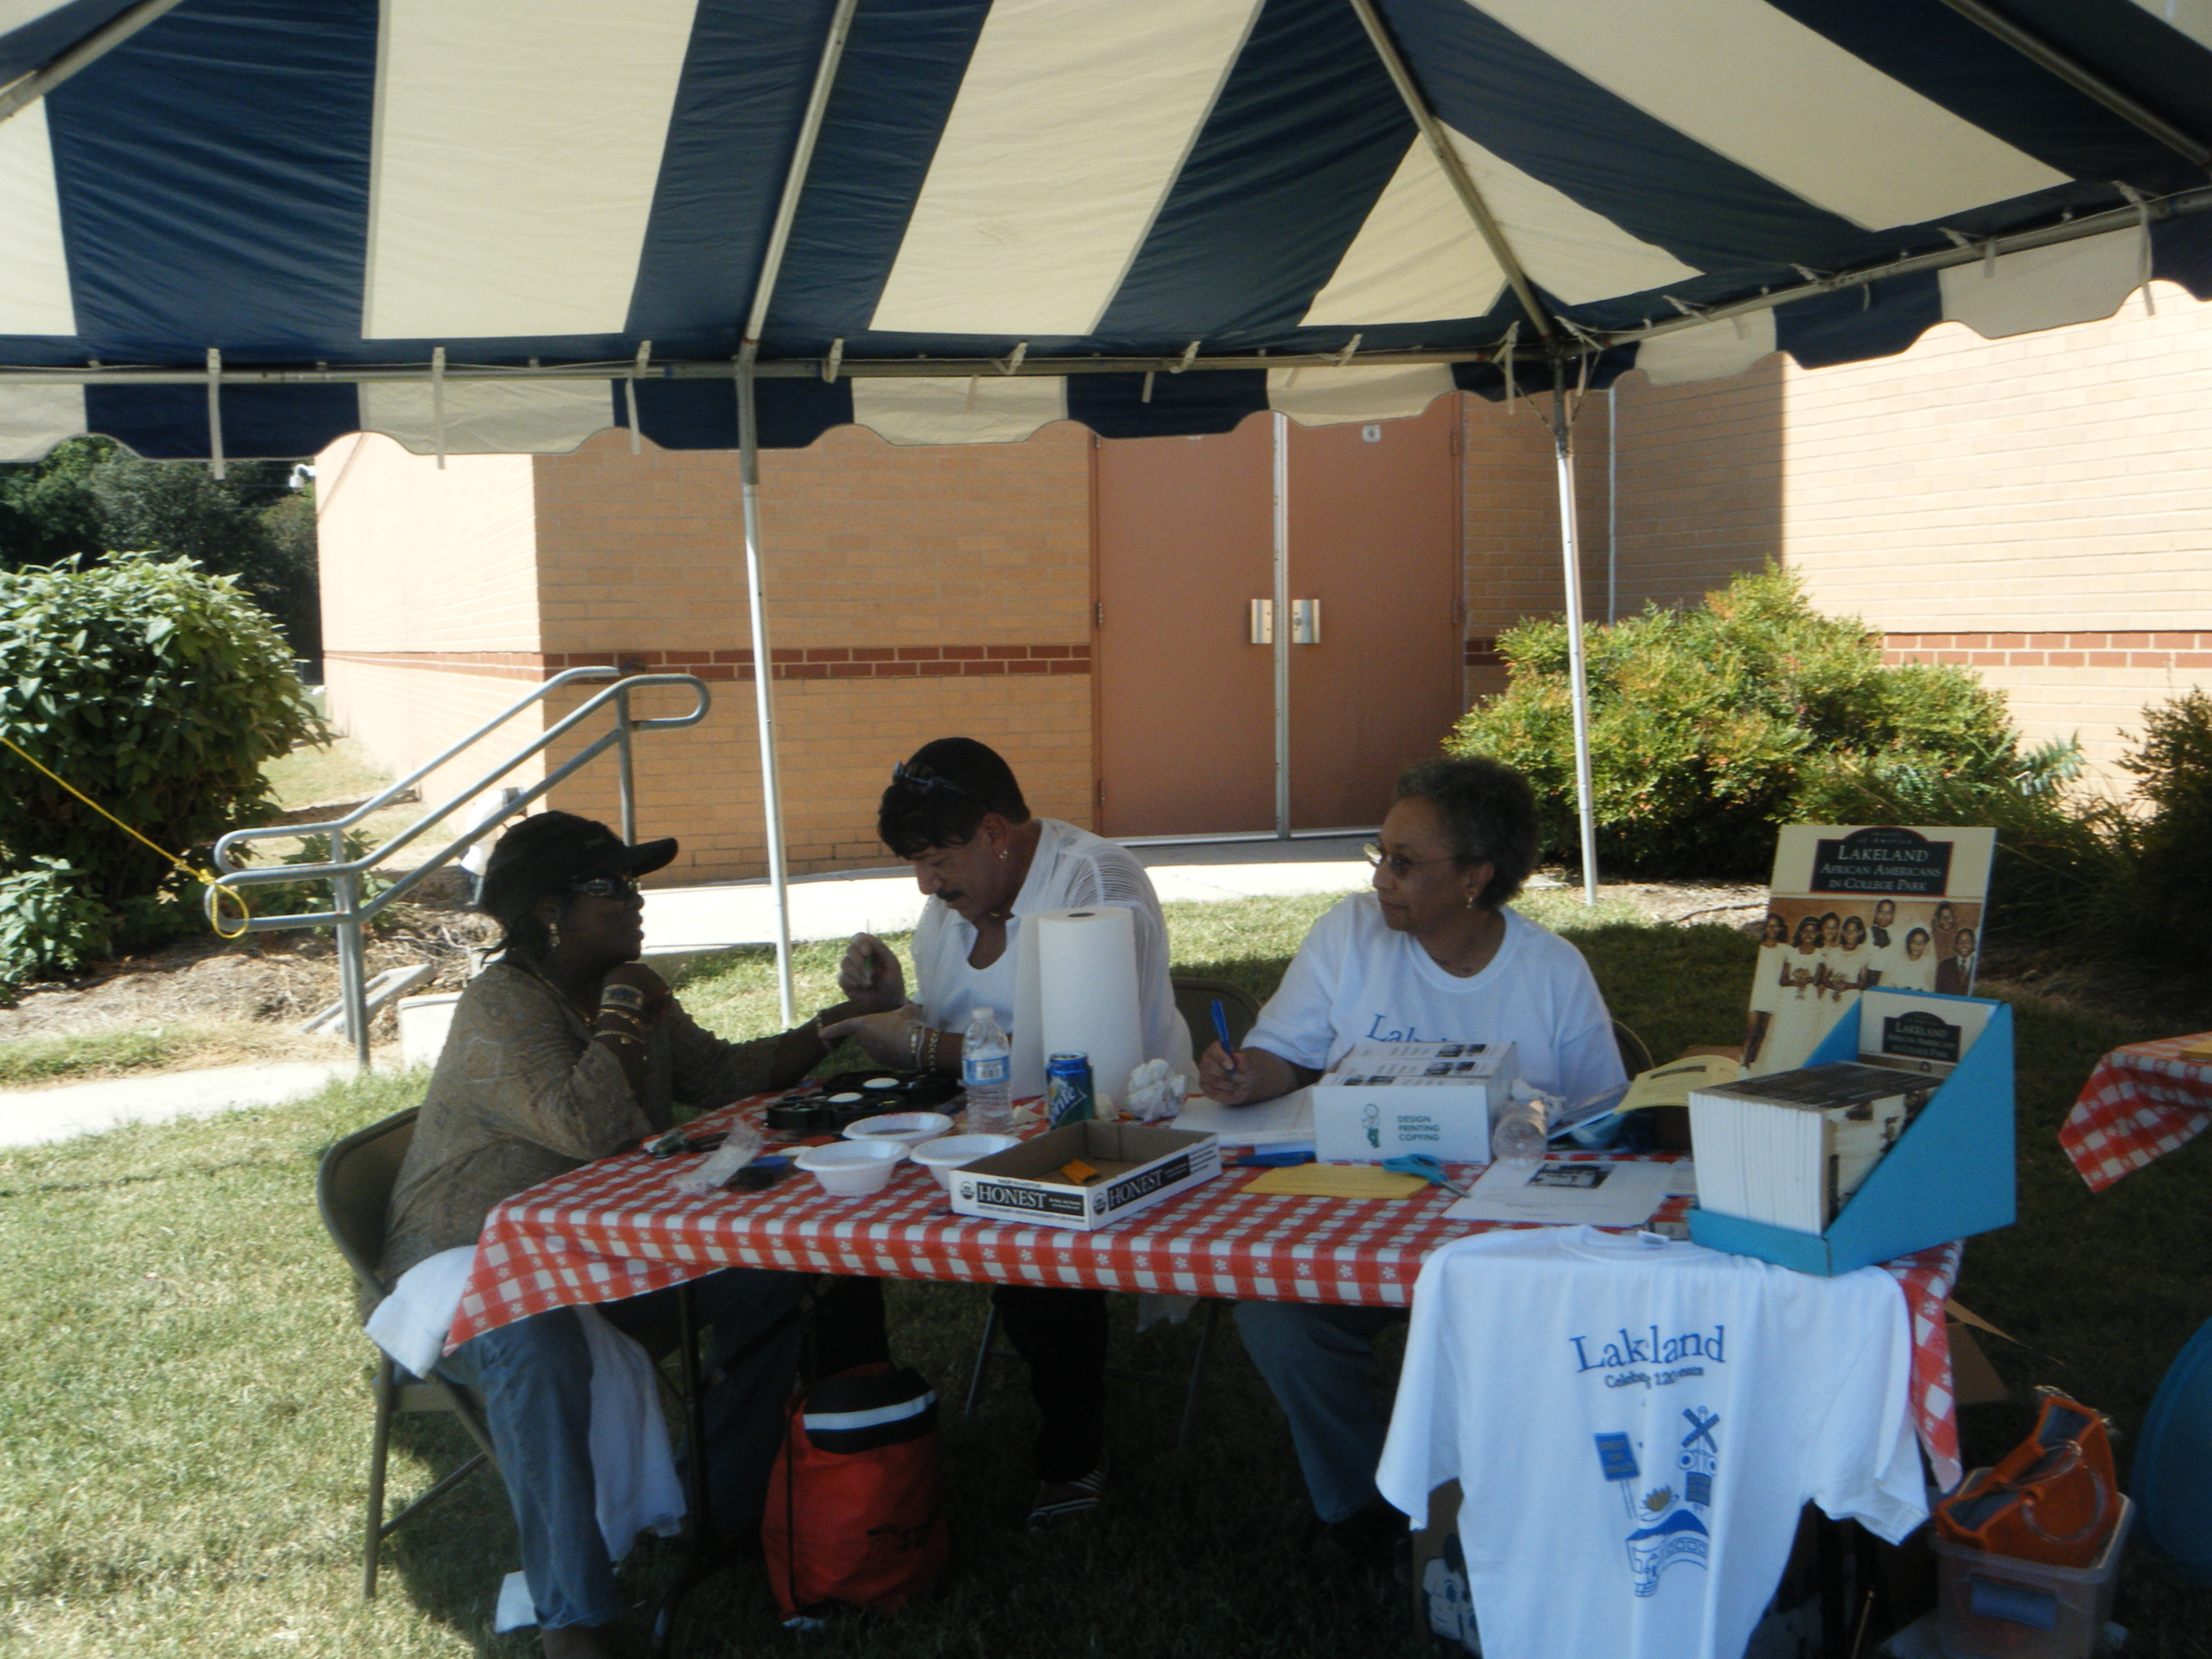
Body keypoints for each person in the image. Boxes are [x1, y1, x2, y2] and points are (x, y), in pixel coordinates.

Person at [381, 812, 883, 1658]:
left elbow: (721, 1076)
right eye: (612, 888)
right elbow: (583, 1123)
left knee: (773, 1276)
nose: (636, 901)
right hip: (468, 1261)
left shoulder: (627, 983)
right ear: (549, 912)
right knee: (535, 1343)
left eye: (633, 884)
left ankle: (715, 1513)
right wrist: (620, 1011)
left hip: (601, 1246)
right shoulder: (502, 1008)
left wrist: (848, 1020)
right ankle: (574, 1617)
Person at [1197, 755, 1626, 1569]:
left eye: (1406, 863)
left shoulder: (1550, 972)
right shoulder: (1350, 934)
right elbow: (1285, 1052)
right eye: (1379, 855)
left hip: (1500, 1236)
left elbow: (1608, 1115)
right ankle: (1366, 1506)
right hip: (1353, 1215)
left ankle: (1512, 1514)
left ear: (1476, 877)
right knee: (1276, 1315)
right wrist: (1247, 1073)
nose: (1382, 879)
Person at [828, 737, 1189, 1530]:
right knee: (827, 1213)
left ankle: (1074, 1446)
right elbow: (980, 1038)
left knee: (1031, 1227)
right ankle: (847, 1428)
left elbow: (1078, 1069)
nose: (925, 882)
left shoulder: (1095, 880)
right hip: (982, 1128)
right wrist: (899, 1005)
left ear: (995, 830)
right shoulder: (955, 903)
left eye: (936, 857)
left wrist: (919, 1045)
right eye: (915, 863)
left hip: (1113, 1128)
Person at [1741, 911, 1789, 1067]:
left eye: (1775, 926)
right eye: (1768, 926)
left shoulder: (1785, 949)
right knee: (1750, 1030)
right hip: (1757, 992)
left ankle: (1753, 1061)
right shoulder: (1758, 948)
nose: (1772, 929)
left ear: (1781, 929)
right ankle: (1744, 1060)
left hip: (1773, 993)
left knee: (1763, 1031)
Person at [1891, 926, 1938, 993]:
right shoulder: (1898, 962)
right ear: (1909, 943)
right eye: (1914, 942)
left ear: (1925, 945)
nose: (1917, 946)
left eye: (1921, 943)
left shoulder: (1929, 964)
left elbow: (1930, 988)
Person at [1937, 927, 1978, 996]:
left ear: (1974, 944)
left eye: (1968, 941)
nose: (1964, 944)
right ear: (1956, 945)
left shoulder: (1979, 966)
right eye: (1961, 941)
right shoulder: (1944, 966)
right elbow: (1938, 992)